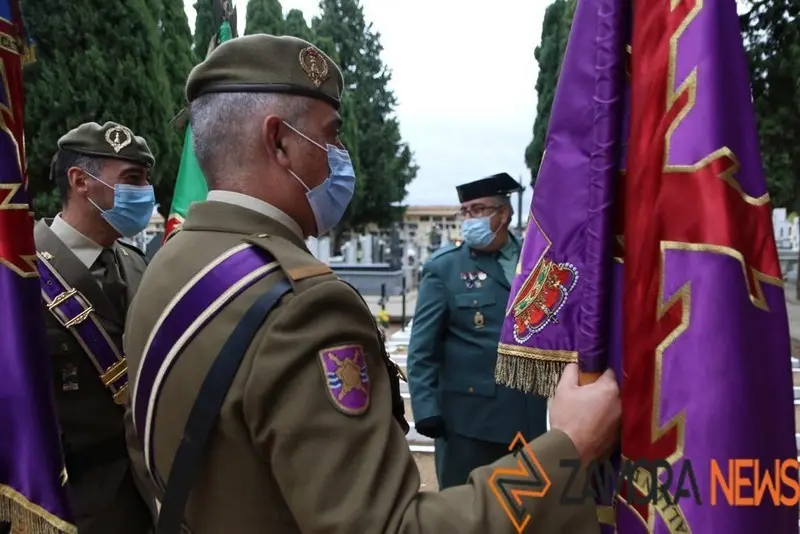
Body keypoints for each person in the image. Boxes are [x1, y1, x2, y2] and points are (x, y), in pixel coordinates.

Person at [124, 33, 621, 533]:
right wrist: (568, 450)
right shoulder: (303, 308)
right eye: (332, 135)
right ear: (279, 142)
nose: (341, 154)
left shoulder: (168, 263)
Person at [33, 121, 158, 533]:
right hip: (63, 503)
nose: (145, 192)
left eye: (146, 179)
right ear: (80, 181)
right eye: (132, 179)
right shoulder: (20, 271)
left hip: (143, 497)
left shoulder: (137, 264)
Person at [407, 174, 550, 489]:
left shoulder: (536, 259)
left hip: (529, 417)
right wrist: (426, 409)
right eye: (465, 211)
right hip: (468, 424)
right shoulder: (444, 268)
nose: (470, 219)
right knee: (466, 511)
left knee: (526, 509)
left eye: (479, 210)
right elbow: (422, 348)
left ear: (504, 213)